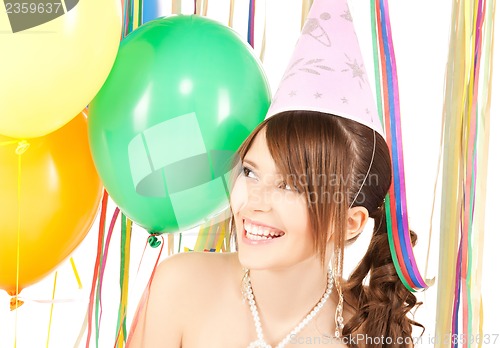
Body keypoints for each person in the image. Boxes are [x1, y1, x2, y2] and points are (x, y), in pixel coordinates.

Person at [127, 0, 425, 346]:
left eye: (291, 186)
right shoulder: (180, 285)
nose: (254, 201)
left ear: (349, 223)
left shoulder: (365, 334)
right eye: (251, 173)